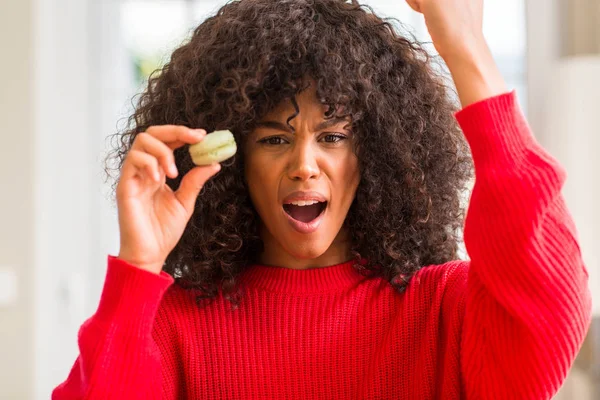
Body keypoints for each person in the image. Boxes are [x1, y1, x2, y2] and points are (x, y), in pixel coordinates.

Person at [52, 0, 592, 398]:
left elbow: (552, 310)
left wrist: (467, 50)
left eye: (333, 137)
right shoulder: (172, 326)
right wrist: (139, 267)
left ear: (376, 154)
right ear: (234, 159)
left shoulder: (441, 310)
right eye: (274, 139)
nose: (305, 164)